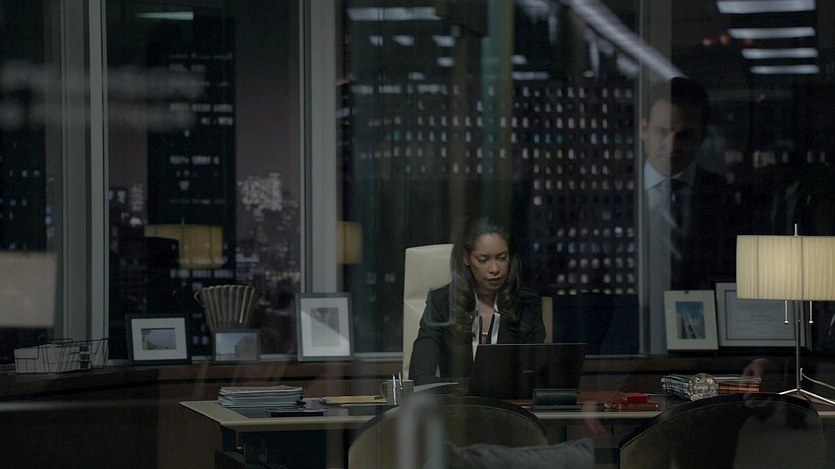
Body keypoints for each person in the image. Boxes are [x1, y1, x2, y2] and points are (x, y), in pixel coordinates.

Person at [642, 76, 741, 353]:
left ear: (701, 137)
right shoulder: (616, 197)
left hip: (708, 341)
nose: (672, 145)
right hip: (630, 339)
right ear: (643, 130)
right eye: (662, 132)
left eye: (684, 135)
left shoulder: (725, 198)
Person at [408, 217, 546, 386]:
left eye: (502, 258)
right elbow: (420, 378)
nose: (495, 269)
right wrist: (478, 388)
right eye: (483, 260)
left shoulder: (526, 304)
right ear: (467, 258)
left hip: (511, 403)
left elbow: (536, 377)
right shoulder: (441, 303)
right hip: (457, 402)